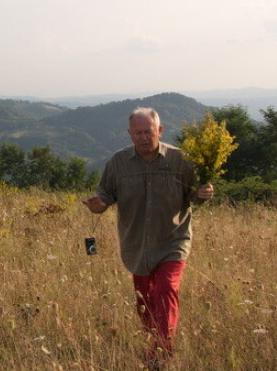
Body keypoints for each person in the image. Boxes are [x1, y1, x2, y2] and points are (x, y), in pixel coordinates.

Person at [84, 107, 214, 367]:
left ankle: (161, 354)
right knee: (145, 300)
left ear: (160, 131)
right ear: (130, 134)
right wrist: (98, 204)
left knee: (166, 289)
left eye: (149, 132)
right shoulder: (118, 163)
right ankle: (153, 342)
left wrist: (203, 194)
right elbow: (105, 196)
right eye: (138, 133)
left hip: (173, 240)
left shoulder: (180, 160)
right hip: (136, 244)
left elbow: (193, 196)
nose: (144, 137)